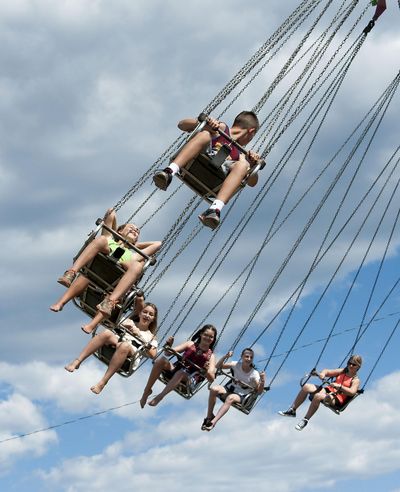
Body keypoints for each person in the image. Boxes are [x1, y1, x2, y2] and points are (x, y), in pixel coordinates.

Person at [50, 208, 161, 327]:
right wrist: (118, 235)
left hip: (113, 279)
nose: (135, 231)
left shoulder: (133, 254)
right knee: (101, 241)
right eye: (132, 228)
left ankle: (108, 305)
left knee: (138, 266)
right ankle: (70, 275)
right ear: (119, 231)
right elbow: (110, 212)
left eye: (137, 232)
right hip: (95, 268)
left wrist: (134, 244)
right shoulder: (109, 238)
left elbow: (157, 244)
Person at [153, 111, 262, 229]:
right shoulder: (221, 128)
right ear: (251, 131)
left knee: (243, 165)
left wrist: (252, 165)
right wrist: (206, 124)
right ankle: (169, 172)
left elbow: (252, 183)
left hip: (216, 178)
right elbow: (182, 124)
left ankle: (215, 209)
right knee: (205, 134)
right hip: (199, 159)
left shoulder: (241, 154)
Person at [64, 302, 159, 394]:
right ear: (140, 313)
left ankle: (102, 382)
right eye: (145, 312)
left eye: (151, 314)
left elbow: (153, 355)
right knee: (107, 333)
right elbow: (110, 323)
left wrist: (138, 334)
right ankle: (77, 361)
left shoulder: (151, 336)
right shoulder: (129, 322)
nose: (147, 315)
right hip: (117, 342)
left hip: (130, 355)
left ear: (153, 319)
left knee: (124, 345)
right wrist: (121, 324)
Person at [139, 324, 217, 408]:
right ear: (201, 334)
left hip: (190, 379)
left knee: (181, 373)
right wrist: (169, 346)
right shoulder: (190, 344)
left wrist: (207, 370)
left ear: (213, 339)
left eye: (211, 337)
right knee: (161, 360)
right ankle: (147, 391)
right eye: (206, 335)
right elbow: (167, 353)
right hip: (177, 369)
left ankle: (160, 396)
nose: (208, 338)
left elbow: (211, 378)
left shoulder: (211, 356)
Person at [278, 355, 362, 431]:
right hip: (328, 391)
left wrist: (340, 386)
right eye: (349, 363)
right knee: (306, 386)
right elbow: (327, 371)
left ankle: (305, 420)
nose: (350, 365)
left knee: (318, 396)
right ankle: (292, 410)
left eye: (353, 364)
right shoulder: (343, 371)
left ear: (358, 366)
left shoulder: (355, 380)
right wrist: (323, 374)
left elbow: (352, 392)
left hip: (337, 399)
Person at [201, 348, 266, 431]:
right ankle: (209, 416)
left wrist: (263, 380)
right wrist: (226, 356)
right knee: (213, 389)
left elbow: (259, 391)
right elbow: (218, 366)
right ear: (241, 357)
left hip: (241, 396)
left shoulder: (254, 374)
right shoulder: (235, 365)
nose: (249, 359)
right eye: (246, 356)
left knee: (230, 398)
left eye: (251, 357)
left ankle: (213, 423)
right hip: (229, 389)